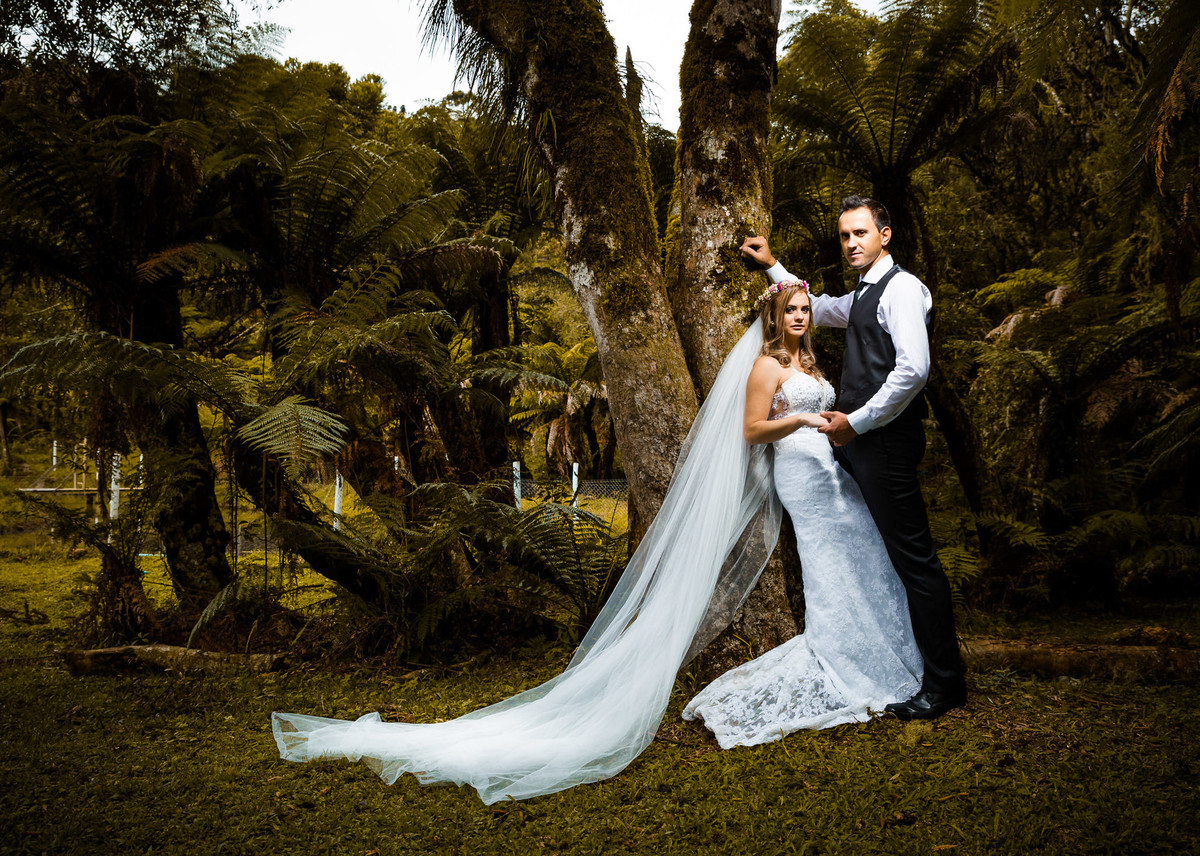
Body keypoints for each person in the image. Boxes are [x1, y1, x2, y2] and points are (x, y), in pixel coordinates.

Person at [272, 276, 923, 803]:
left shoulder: (808, 361)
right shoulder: (764, 365)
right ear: (774, 317)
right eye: (792, 310)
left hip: (826, 470)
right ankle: (847, 659)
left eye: (807, 310)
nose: (802, 317)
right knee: (831, 565)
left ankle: (871, 651)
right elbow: (752, 430)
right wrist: (804, 421)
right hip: (800, 475)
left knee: (856, 559)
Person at [739, 194, 967, 721]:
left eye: (860, 233)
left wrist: (856, 422)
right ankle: (910, 662)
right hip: (859, 447)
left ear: (885, 235)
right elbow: (813, 306)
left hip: (884, 442)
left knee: (914, 561)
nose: (850, 243)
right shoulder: (863, 293)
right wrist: (773, 265)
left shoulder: (902, 288)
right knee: (886, 554)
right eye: (844, 236)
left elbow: (913, 371)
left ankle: (944, 684)